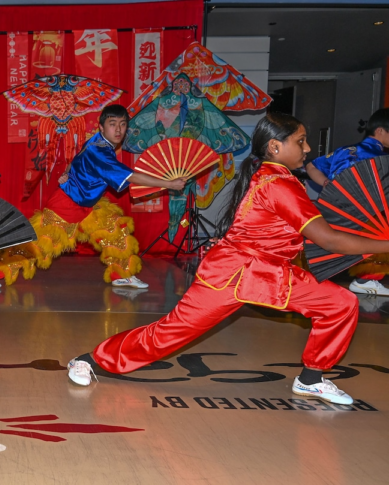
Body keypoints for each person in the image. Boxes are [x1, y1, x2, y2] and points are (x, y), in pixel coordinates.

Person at [65, 112, 389, 406]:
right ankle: (91, 359)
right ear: (275, 147)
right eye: (300, 142)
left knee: (338, 303)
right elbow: (328, 239)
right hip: (232, 275)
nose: (307, 149)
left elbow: (317, 234)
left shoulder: (275, 177)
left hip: (267, 273)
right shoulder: (279, 184)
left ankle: (312, 379)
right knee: (168, 334)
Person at [0, 104, 185, 289]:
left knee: (115, 231)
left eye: (122, 124)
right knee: (37, 246)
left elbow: (76, 158)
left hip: (89, 206)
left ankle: (121, 273)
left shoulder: (97, 141)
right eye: (113, 124)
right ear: (101, 127)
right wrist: (168, 184)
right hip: (66, 205)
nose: (118, 130)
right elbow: (131, 177)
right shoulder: (101, 152)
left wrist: (67, 173)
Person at [306, 107, 389, 296]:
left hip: (334, 210)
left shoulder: (344, 150)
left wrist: (327, 184)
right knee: (381, 234)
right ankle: (366, 279)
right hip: (366, 214)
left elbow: (311, 166)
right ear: (380, 131)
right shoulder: (380, 157)